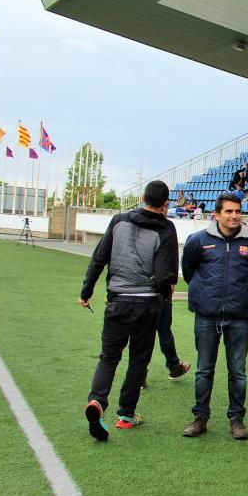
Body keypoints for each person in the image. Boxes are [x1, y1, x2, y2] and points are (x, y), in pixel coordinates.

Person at [79, 181, 178, 440]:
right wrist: (164, 294)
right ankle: (125, 415)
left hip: (118, 301)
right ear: (165, 203)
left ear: (142, 197)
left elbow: (99, 257)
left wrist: (86, 292)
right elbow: (164, 274)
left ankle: (97, 401)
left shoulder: (118, 221)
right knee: (138, 359)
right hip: (147, 304)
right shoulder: (166, 228)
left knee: (109, 357)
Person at [181, 193, 248, 440]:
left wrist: (240, 296)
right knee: (204, 370)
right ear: (216, 215)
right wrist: (206, 296)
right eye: (229, 211)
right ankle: (200, 417)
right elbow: (189, 272)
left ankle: (236, 419)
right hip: (206, 316)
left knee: (238, 371)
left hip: (239, 317)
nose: (234, 215)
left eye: (238, 211)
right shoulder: (197, 241)